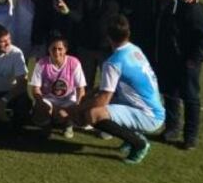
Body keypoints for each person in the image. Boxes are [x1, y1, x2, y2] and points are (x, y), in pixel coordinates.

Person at [69, 16, 164, 165]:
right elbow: (106, 87)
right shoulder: (134, 49)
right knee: (93, 103)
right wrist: (89, 95)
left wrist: (77, 108)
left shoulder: (113, 62)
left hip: (150, 117)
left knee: (93, 114)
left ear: (107, 37)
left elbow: (103, 99)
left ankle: (139, 143)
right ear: (128, 33)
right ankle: (131, 137)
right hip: (154, 109)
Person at [147, 0, 203, 149]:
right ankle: (171, 129)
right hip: (166, 59)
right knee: (170, 95)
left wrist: (196, 58)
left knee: (190, 98)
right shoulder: (156, 1)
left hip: (187, 61)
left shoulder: (189, 3)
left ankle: (190, 136)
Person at [29, 36, 86, 138]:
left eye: (60, 49)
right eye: (53, 48)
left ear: (66, 50)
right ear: (48, 49)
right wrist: (41, 102)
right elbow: (35, 88)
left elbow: (80, 88)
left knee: (66, 113)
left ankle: (68, 125)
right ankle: (46, 126)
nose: (56, 52)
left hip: (68, 99)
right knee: (40, 108)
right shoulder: (41, 63)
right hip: (48, 99)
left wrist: (77, 105)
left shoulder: (74, 63)